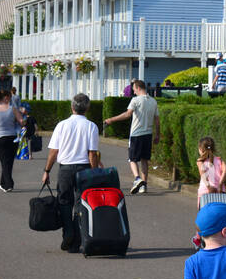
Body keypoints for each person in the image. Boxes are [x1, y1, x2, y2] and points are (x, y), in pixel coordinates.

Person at [40, 93, 102, 251]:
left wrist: (47, 170)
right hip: (84, 168)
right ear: (87, 108)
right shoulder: (91, 126)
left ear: (72, 107)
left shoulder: (62, 125)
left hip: (65, 168)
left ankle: (67, 232)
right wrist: (94, 173)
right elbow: (92, 153)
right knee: (81, 203)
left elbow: (54, 151)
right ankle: (77, 239)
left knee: (64, 202)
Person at [103, 79, 160, 194]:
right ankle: (144, 185)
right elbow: (157, 120)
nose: (133, 92)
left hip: (136, 134)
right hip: (148, 134)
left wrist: (111, 119)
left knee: (132, 159)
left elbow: (127, 114)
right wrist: (157, 134)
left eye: (134, 89)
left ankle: (137, 179)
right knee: (144, 160)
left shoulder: (135, 100)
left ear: (138, 88)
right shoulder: (153, 101)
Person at [0, 89, 22, 193]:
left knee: (4, 161)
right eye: (9, 97)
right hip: (12, 137)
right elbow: (21, 121)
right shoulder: (12, 109)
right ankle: (4, 183)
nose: (10, 99)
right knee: (8, 162)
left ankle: (8, 184)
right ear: (5, 97)